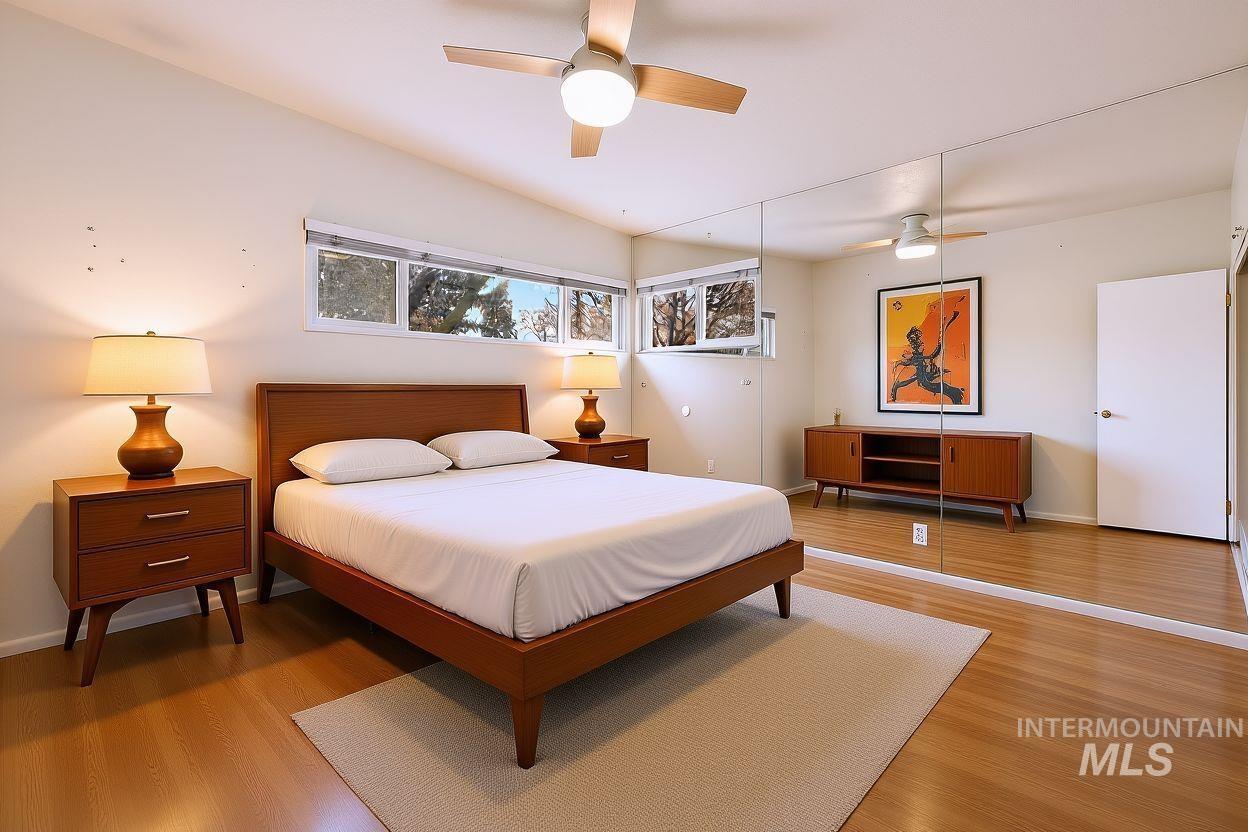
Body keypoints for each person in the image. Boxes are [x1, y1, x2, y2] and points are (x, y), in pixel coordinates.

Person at [889, 312, 965, 405]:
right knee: (904, 383)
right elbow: (916, 360)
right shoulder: (916, 350)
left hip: (923, 376)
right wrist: (902, 362)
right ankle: (894, 392)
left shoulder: (918, 350)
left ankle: (955, 392)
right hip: (921, 375)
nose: (910, 342)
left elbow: (919, 359)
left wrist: (904, 361)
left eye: (911, 340)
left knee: (928, 385)